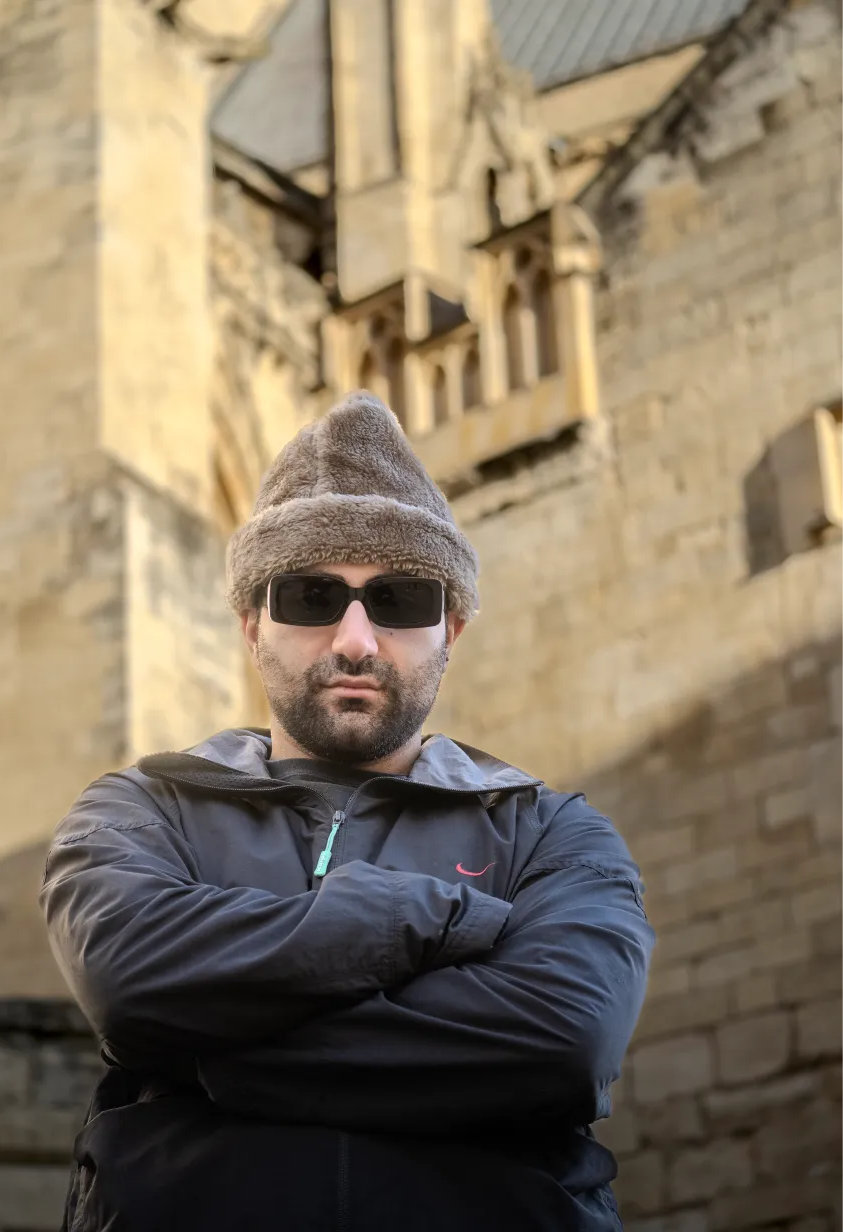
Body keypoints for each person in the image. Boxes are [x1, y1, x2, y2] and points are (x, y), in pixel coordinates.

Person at [40, 392, 654, 1232]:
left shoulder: (552, 831)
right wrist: (415, 916)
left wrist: (213, 1056)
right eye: (311, 595)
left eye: (399, 600)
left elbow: (564, 1044)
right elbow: (129, 979)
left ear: (453, 628)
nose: (357, 638)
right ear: (252, 622)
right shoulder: (140, 810)